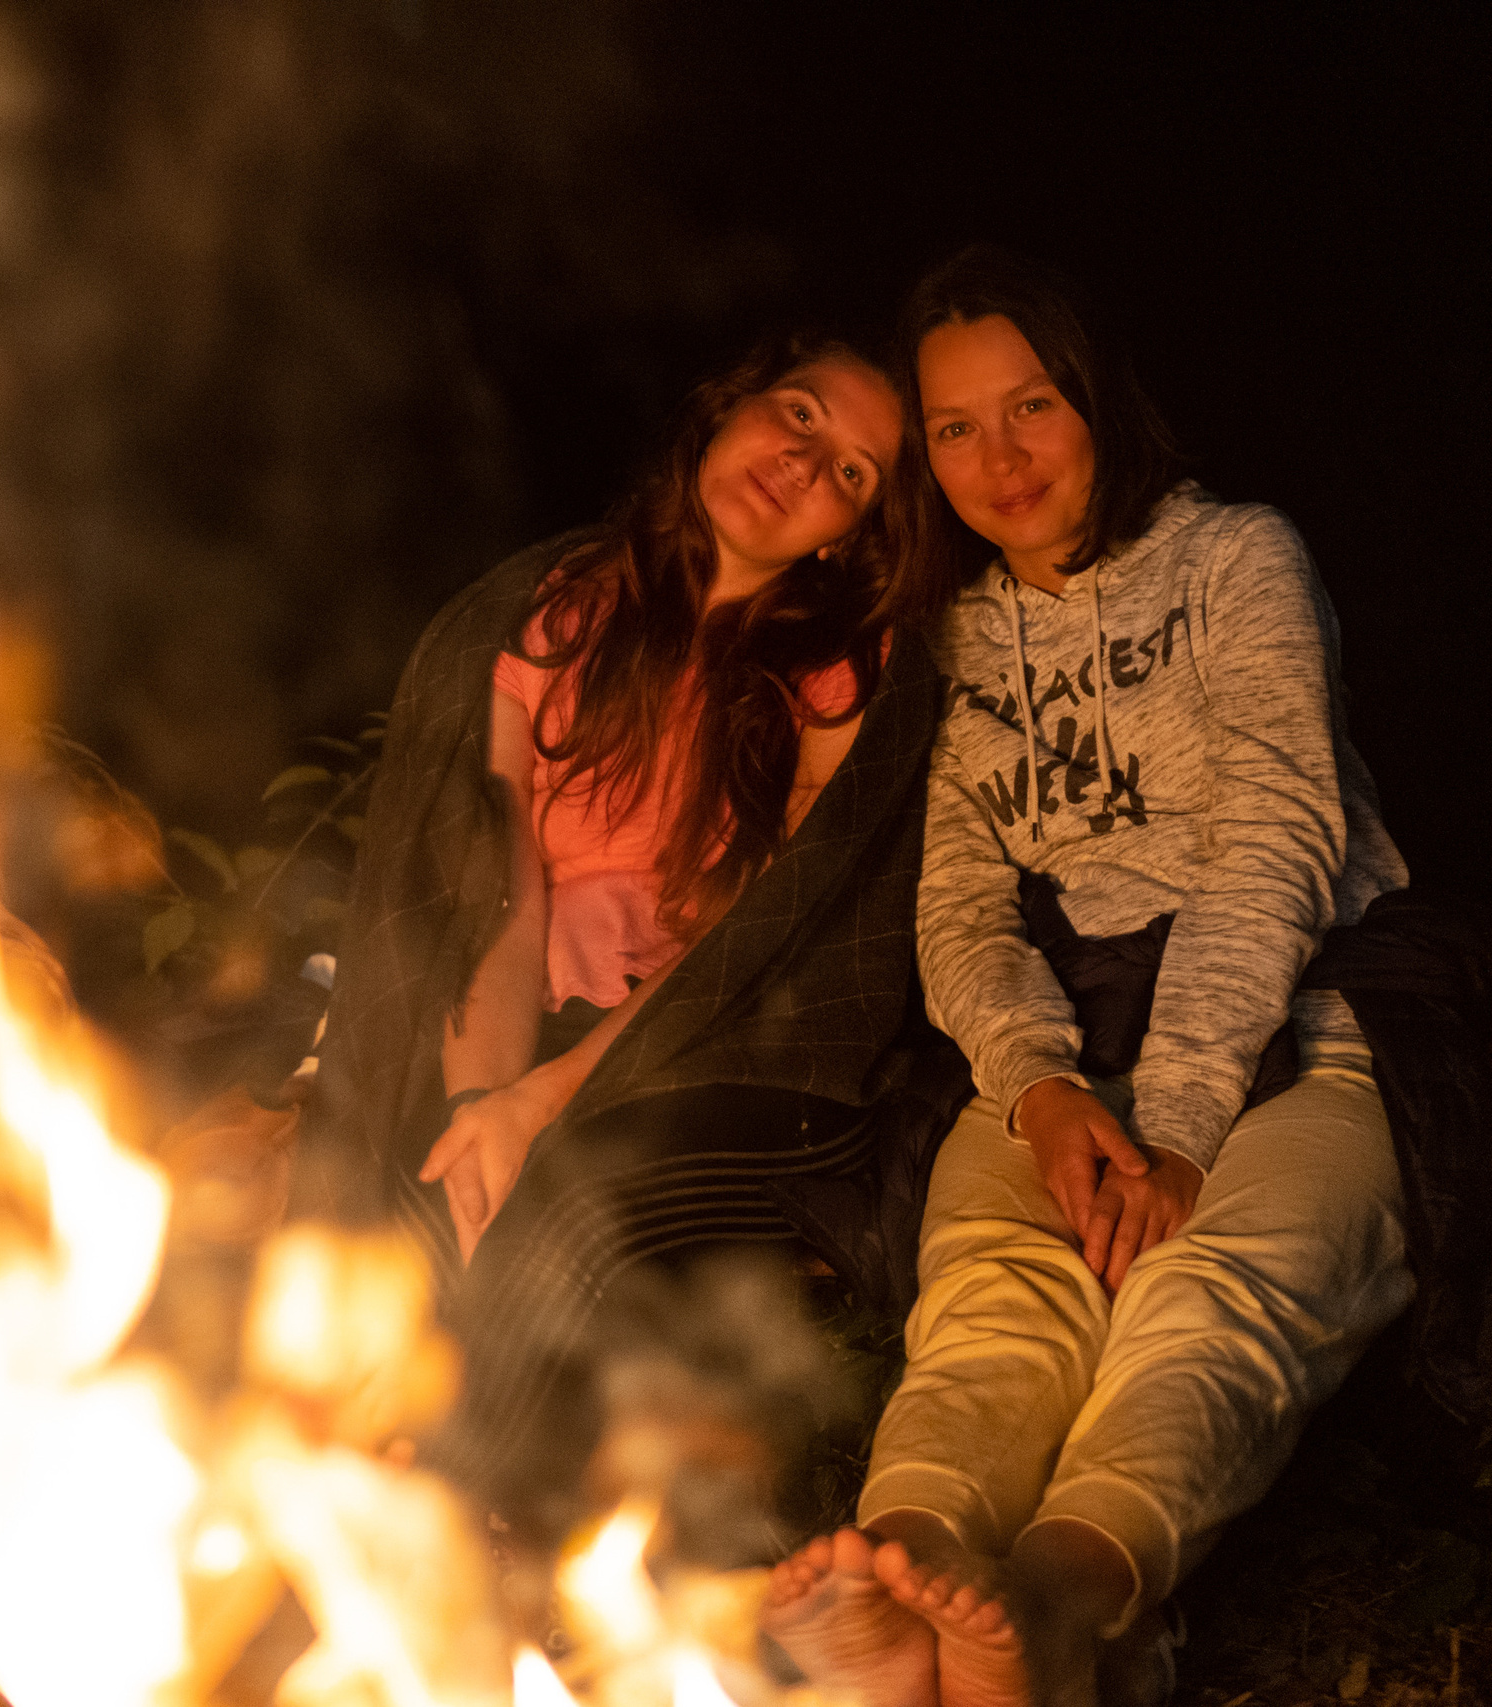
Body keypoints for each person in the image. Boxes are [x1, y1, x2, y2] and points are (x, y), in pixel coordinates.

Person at [761, 247, 1412, 1707]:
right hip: (1074, 1033)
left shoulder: (1237, 557)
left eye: (1033, 404)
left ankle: (1055, 1601)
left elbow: (1279, 836)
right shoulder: (967, 635)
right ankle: (905, 1571)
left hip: (1306, 1019)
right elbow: (960, 902)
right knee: (995, 1286)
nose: (1001, 457)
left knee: (1204, 1291)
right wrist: (1045, 1091)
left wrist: (1178, 1122)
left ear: (1098, 397)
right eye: (954, 427)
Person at [301, 333, 961, 1522]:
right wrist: (478, 1109)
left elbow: (753, 939)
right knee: (405, 1212)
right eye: (798, 417)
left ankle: (447, 1526)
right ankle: (321, 1499)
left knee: (554, 1225)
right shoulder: (556, 611)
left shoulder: (830, 671)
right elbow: (496, 898)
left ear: (849, 537)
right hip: (530, 1010)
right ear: (726, 411)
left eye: (856, 474)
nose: (808, 466)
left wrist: (545, 1105)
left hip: (706, 1045)